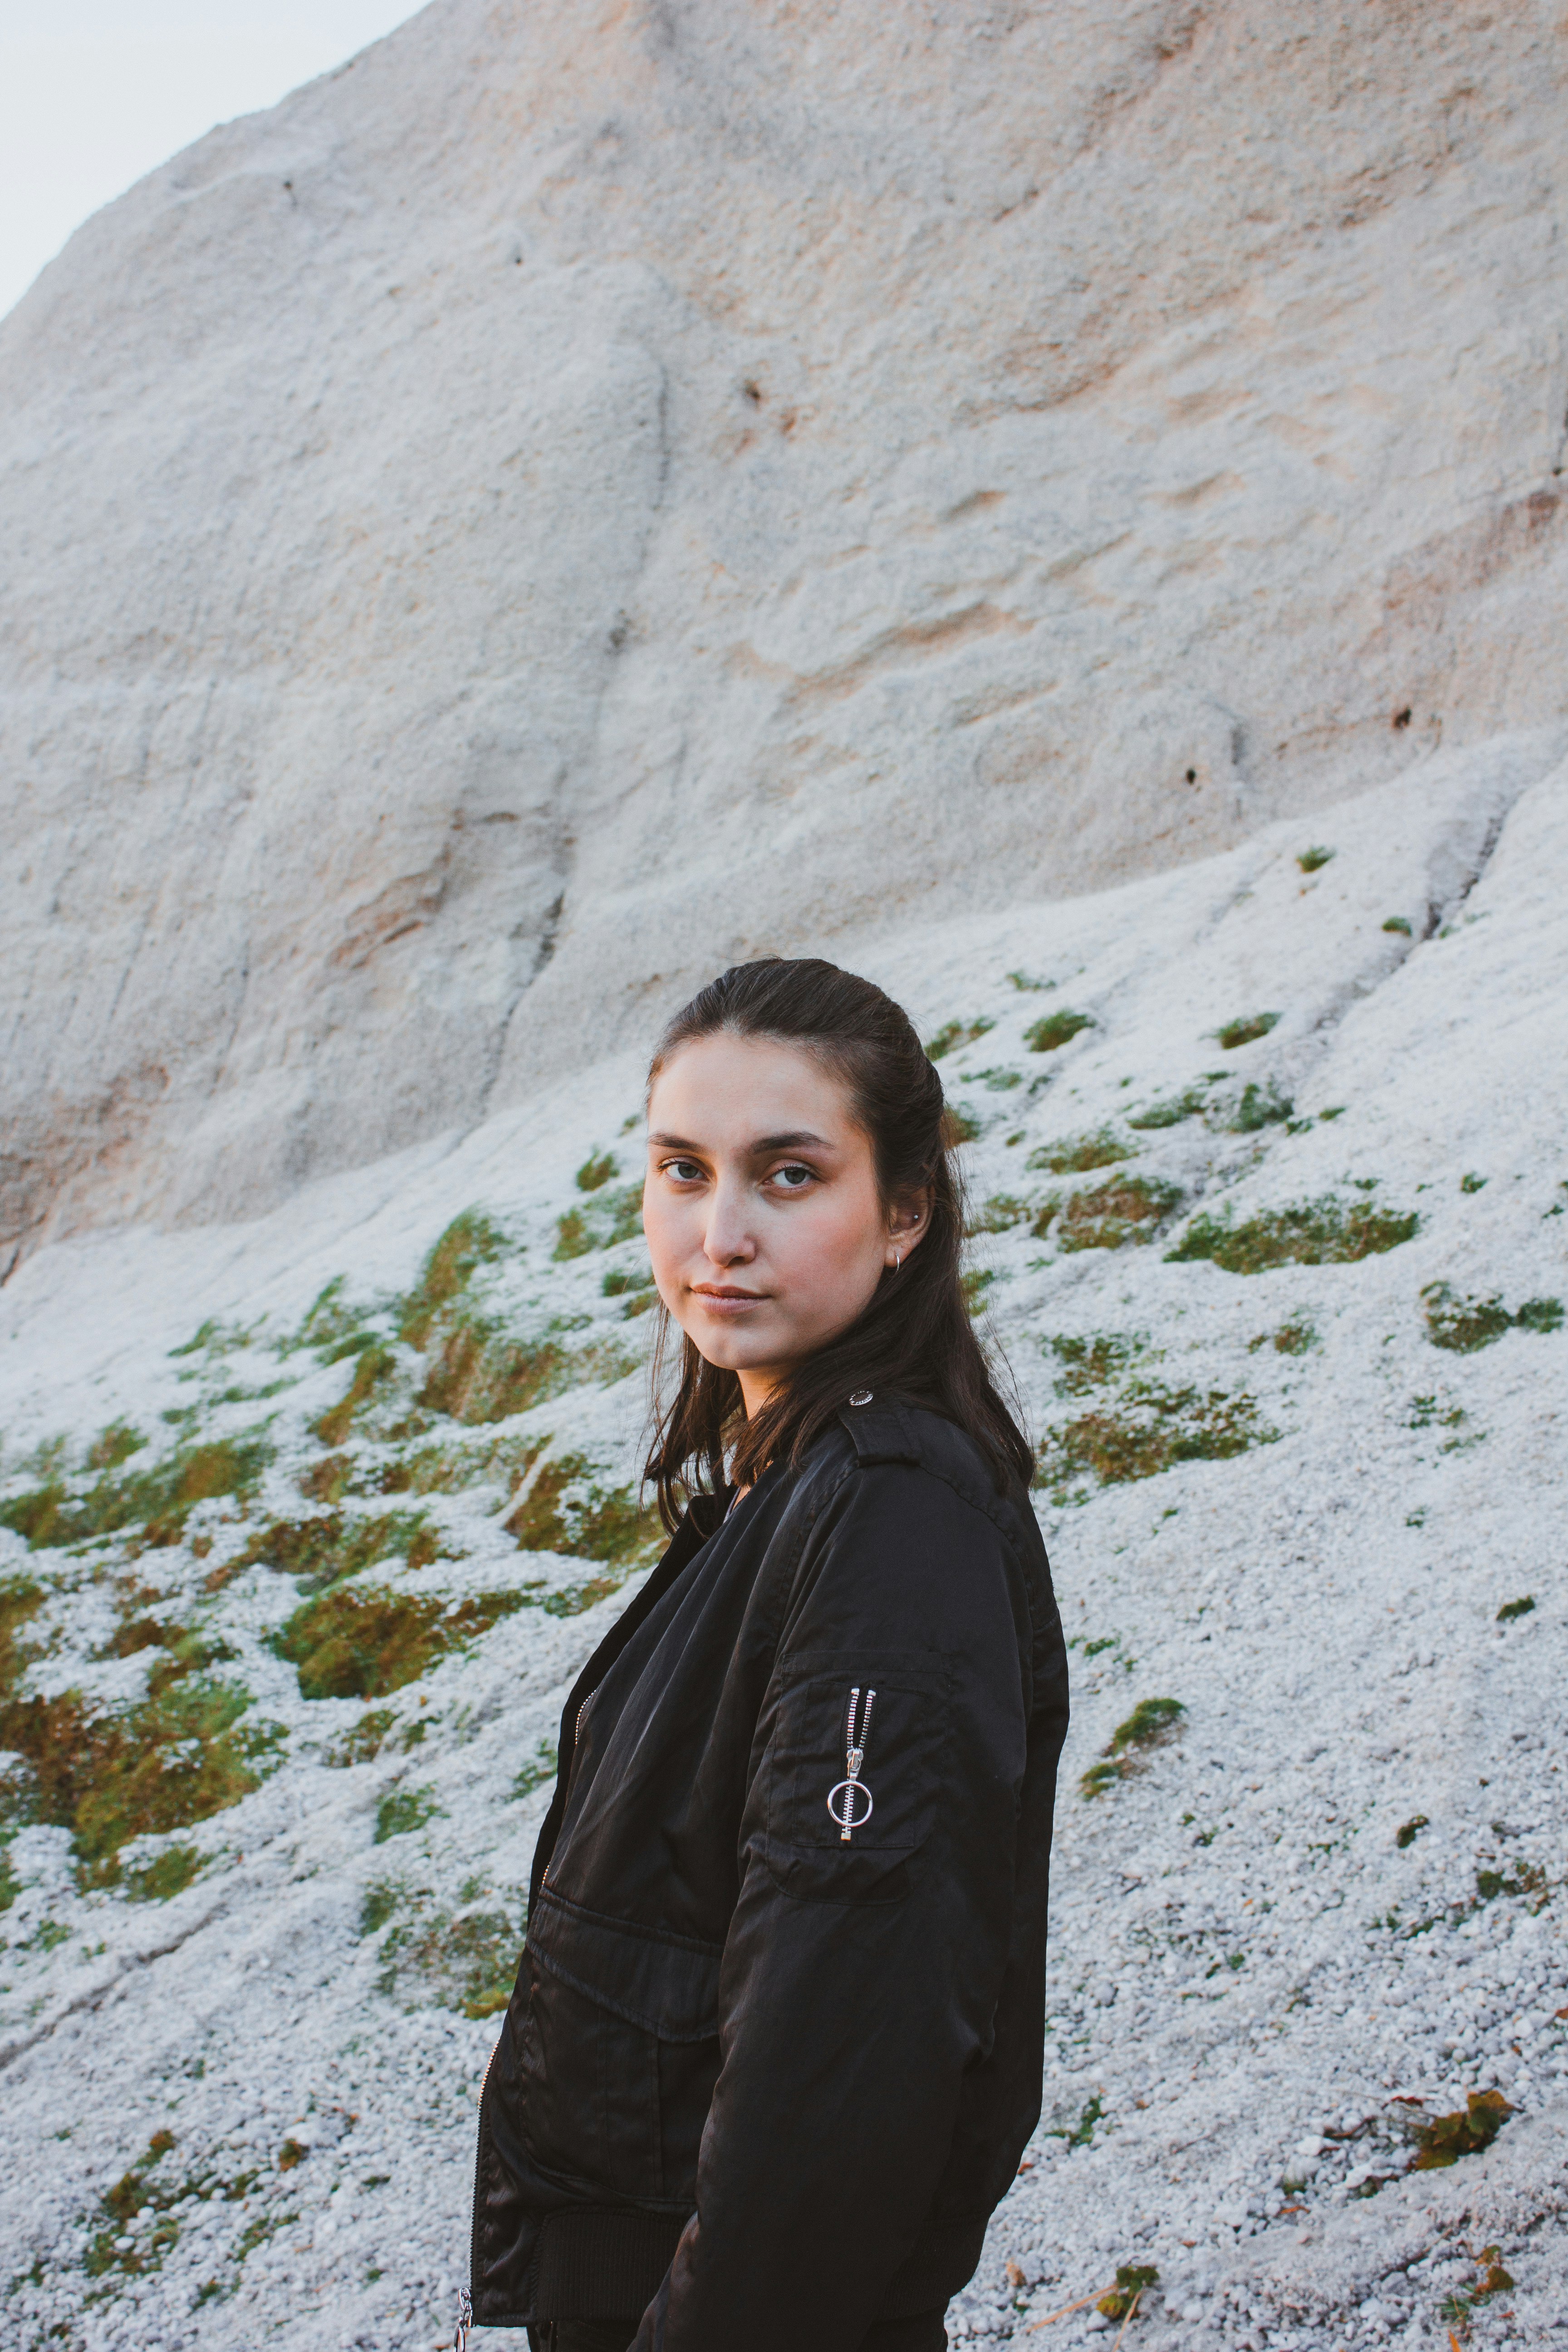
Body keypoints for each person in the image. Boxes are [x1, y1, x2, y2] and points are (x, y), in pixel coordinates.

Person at [464, 957, 1070, 2352]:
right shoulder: (788, 1477)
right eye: (683, 1169)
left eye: (788, 1176)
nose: (719, 1231)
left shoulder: (891, 1523)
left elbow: (845, 2044)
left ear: (904, 1209)